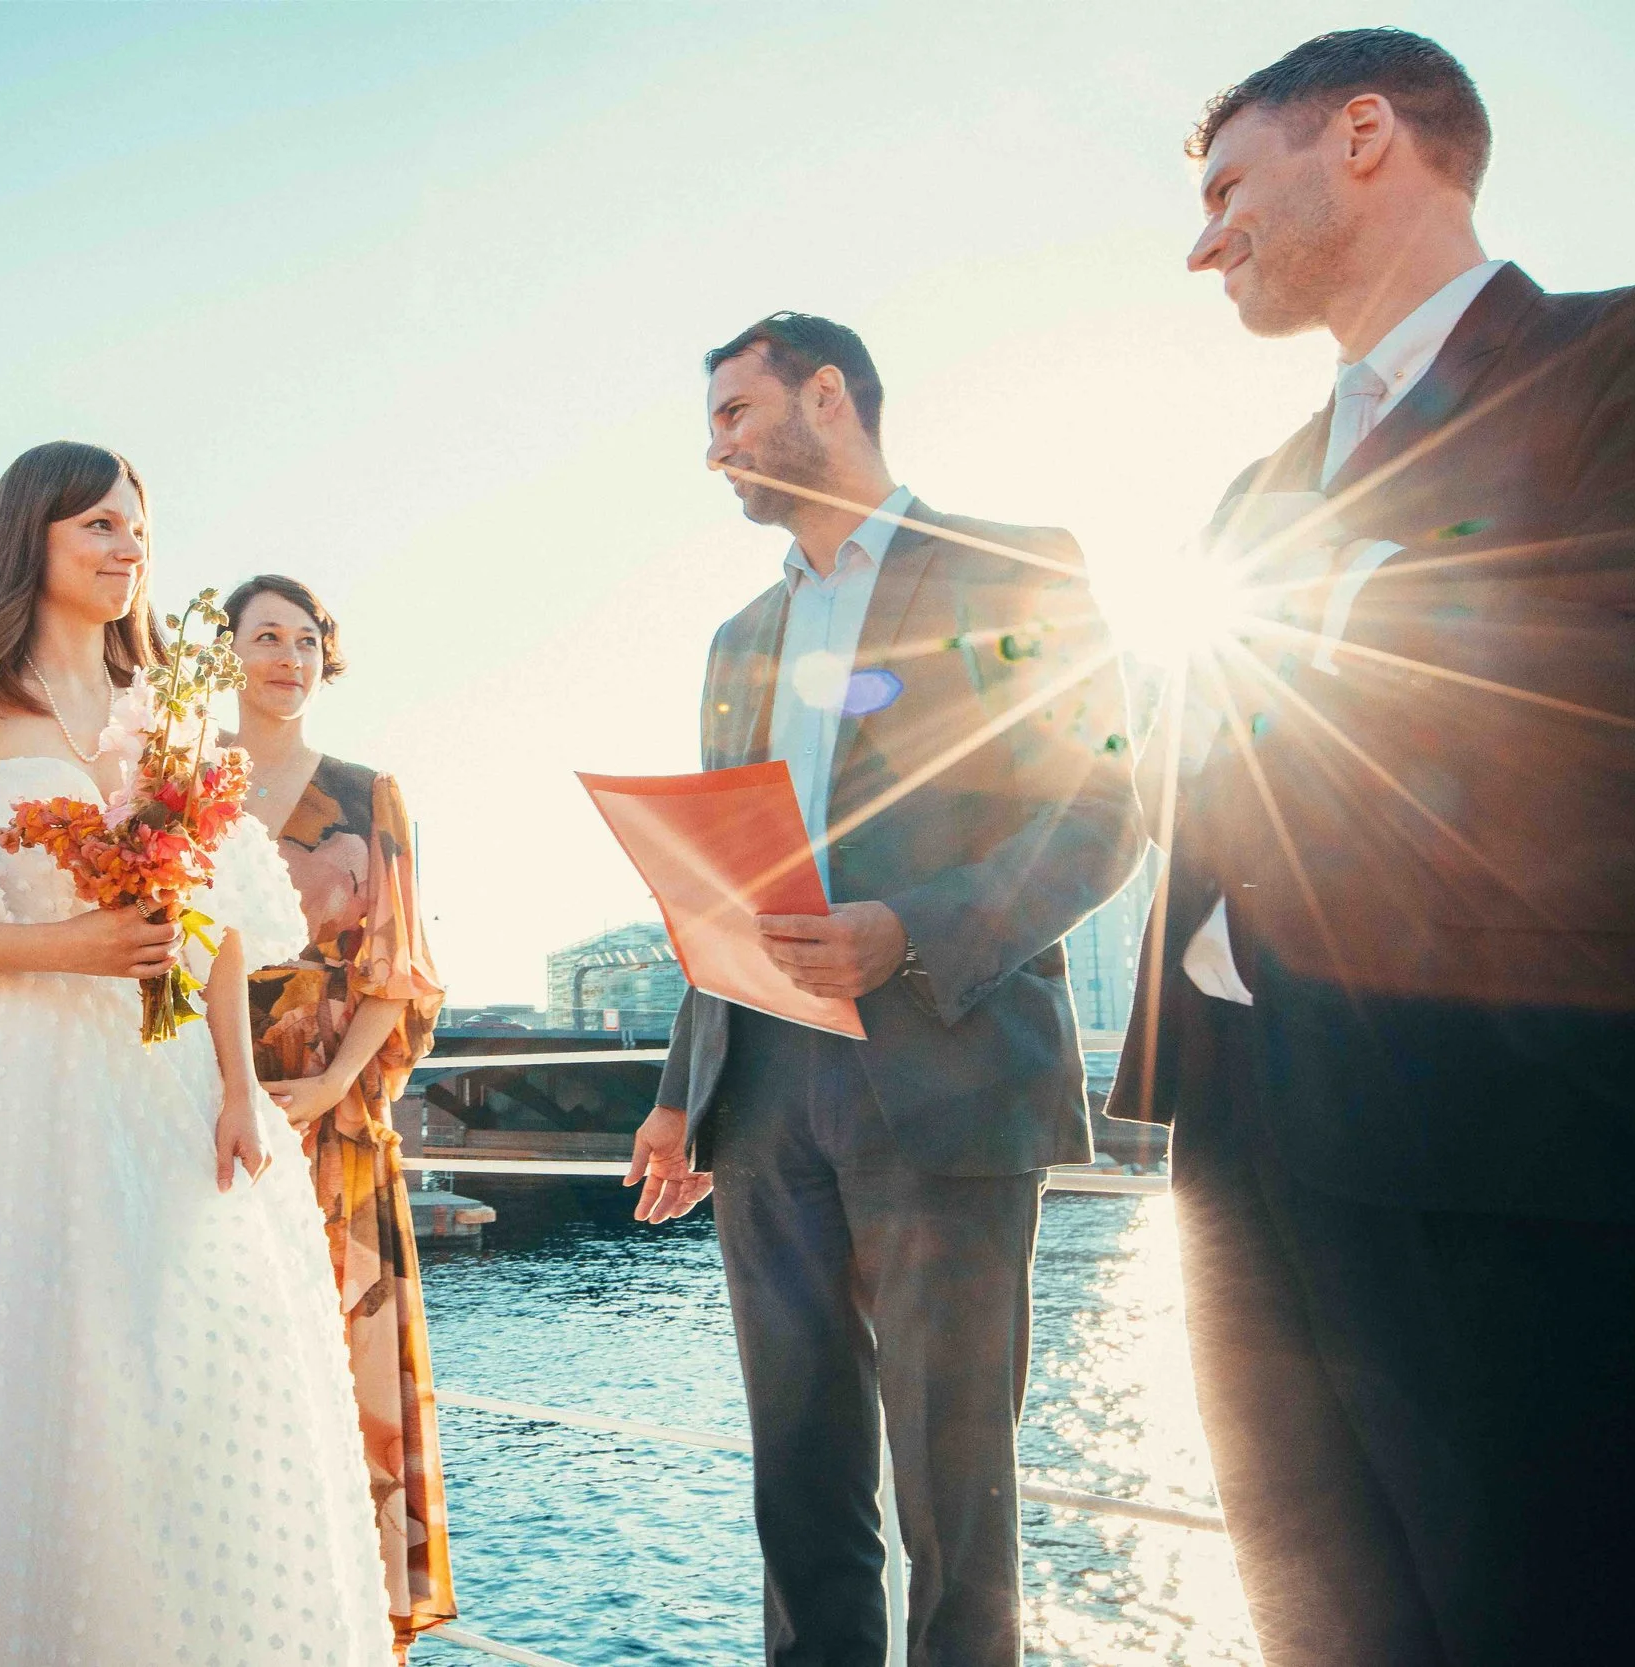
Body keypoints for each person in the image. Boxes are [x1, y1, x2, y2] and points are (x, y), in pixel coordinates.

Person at [1108, 29, 1635, 1665]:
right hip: (1247, 1154)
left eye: (1223, 185)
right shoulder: (1244, 502)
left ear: (1360, 134)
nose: (1202, 239)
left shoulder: (1614, 367)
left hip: (1517, 1141)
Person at [0, 441, 390, 1666]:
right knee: (16, 1375)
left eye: (136, 529)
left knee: (179, 1373)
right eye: (99, 528)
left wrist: (237, 1089)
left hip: (165, 1077)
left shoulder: (168, 708)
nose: (127, 550)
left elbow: (213, 927)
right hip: (13, 1080)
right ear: (35, 538)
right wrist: (73, 941)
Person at [628, 316, 1143, 1667]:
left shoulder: (1014, 569)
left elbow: (1099, 814)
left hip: (951, 1070)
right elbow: (729, 877)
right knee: (797, 1487)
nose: (716, 448)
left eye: (736, 413)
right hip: (765, 1101)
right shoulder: (739, 636)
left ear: (829, 394)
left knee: (955, 1496)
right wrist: (687, 1094)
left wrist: (904, 932)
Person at [223, 574, 455, 1655]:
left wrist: (326, 1086)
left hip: (336, 1108)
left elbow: (400, 968)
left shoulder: (369, 792)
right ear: (222, 653)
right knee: (226, 1353)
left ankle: (362, 1626)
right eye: (264, 635)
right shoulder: (184, 786)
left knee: (345, 1351)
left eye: (306, 638)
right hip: (203, 1094)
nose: (287, 655)